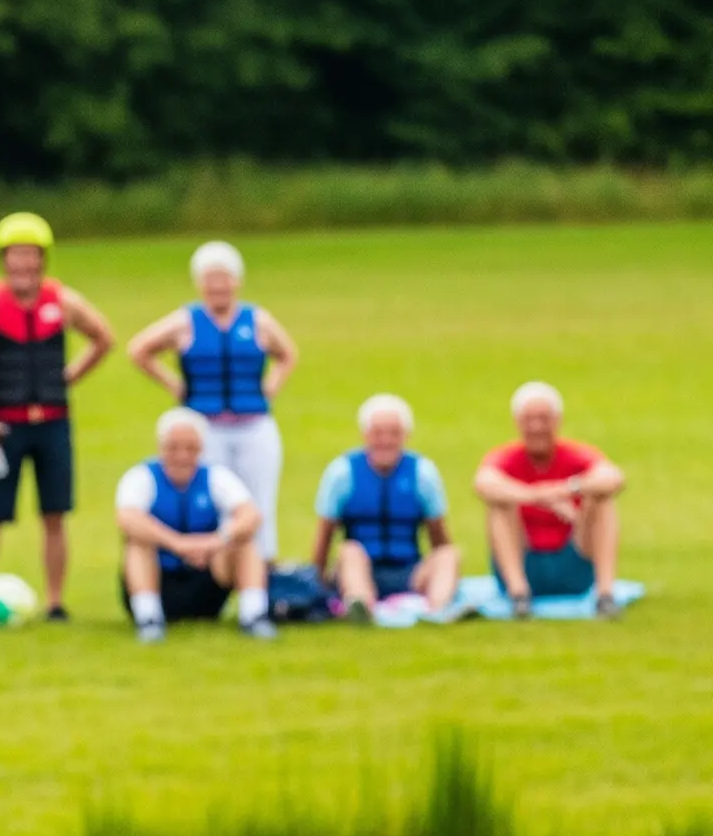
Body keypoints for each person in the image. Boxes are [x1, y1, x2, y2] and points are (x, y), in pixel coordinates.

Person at [0, 211, 113, 623]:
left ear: (43, 259)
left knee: (54, 515)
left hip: (52, 422)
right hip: (4, 425)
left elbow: (103, 338)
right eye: (16, 255)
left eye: (32, 255)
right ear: (3, 259)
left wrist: (71, 376)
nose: (24, 263)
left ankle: (55, 600)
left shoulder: (62, 302)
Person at [126, 241, 297, 565]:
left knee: (258, 501)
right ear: (200, 283)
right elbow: (139, 349)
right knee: (218, 500)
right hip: (206, 426)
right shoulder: (185, 322)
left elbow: (287, 354)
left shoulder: (256, 320)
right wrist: (173, 384)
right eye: (210, 279)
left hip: (253, 424)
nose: (218, 286)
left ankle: (261, 573)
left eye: (224, 278)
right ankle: (215, 569)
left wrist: (270, 387)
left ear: (237, 281)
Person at [115, 408, 272, 643]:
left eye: (190, 448)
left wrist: (216, 541)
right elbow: (127, 518)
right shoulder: (141, 477)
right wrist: (176, 543)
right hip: (160, 578)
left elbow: (251, 515)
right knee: (137, 543)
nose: (182, 456)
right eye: (174, 448)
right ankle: (148, 617)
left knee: (244, 541)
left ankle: (254, 614)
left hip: (204, 578)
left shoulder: (215, 477)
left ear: (200, 449)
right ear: (161, 447)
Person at [472, 382, 627, 618]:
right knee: (500, 504)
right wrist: (539, 497)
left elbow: (613, 478)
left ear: (557, 420)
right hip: (524, 560)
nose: (537, 427)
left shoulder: (576, 455)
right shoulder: (505, 458)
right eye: (529, 419)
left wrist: (568, 488)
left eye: (544, 419)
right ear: (517, 422)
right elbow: (484, 484)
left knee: (602, 501)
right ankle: (519, 594)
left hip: (572, 563)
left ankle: (605, 595)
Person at [310, 394, 461, 617]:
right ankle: (361, 606)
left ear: (405, 435)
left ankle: (437, 610)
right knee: (348, 551)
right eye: (378, 433)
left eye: (394, 434)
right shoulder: (341, 473)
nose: (385, 441)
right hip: (361, 569)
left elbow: (438, 537)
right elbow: (324, 537)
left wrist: (441, 569)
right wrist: (316, 584)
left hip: (408, 570)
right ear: (365, 434)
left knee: (449, 554)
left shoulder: (423, 473)